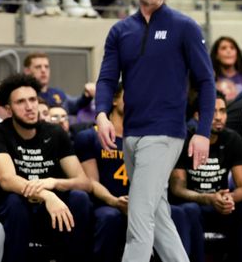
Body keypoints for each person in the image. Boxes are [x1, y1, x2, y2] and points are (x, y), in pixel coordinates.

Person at [94, 0, 216, 262]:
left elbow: (206, 82)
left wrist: (202, 133)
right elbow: (107, 78)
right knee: (157, 213)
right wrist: (101, 114)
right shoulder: (120, 30)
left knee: (139, 218)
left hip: (165, 133)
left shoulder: (184, 27)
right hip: (132, 134)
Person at [75, 85, 193, 261]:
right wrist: (114, 201)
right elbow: (91, 181)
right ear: (114, 100)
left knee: (177, 213)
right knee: (109, 218)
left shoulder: (149, 139)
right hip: (107, 203)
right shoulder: (90, 136)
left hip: (144, 203)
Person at [0, 73, 92, 262]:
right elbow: (6, 179)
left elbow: (83, 182)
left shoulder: (55, 132)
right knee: (13, 201)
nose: (29, 107)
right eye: (20, 102)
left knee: (80, 198)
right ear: (8, 109)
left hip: (50, 209)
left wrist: (53, 183)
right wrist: (47, 194)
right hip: (15, 208)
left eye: (32, 99)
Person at [170, 95, 242, 262]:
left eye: (222, 111)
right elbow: (177, 189)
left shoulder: (232, 139)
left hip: (222, 206)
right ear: (197, 116)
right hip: (196, 206)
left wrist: (229, 198)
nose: (218, 117)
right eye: (212, 111)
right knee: (188, 209)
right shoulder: (184, 140)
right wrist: (208, 198)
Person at [23, 52, 94, 115]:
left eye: (46, 67)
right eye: (38, 67)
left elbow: (75, 105)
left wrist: (86, 95)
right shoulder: (23, 96)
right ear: (27, 71)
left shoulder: (57, 93)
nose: (43, 70)